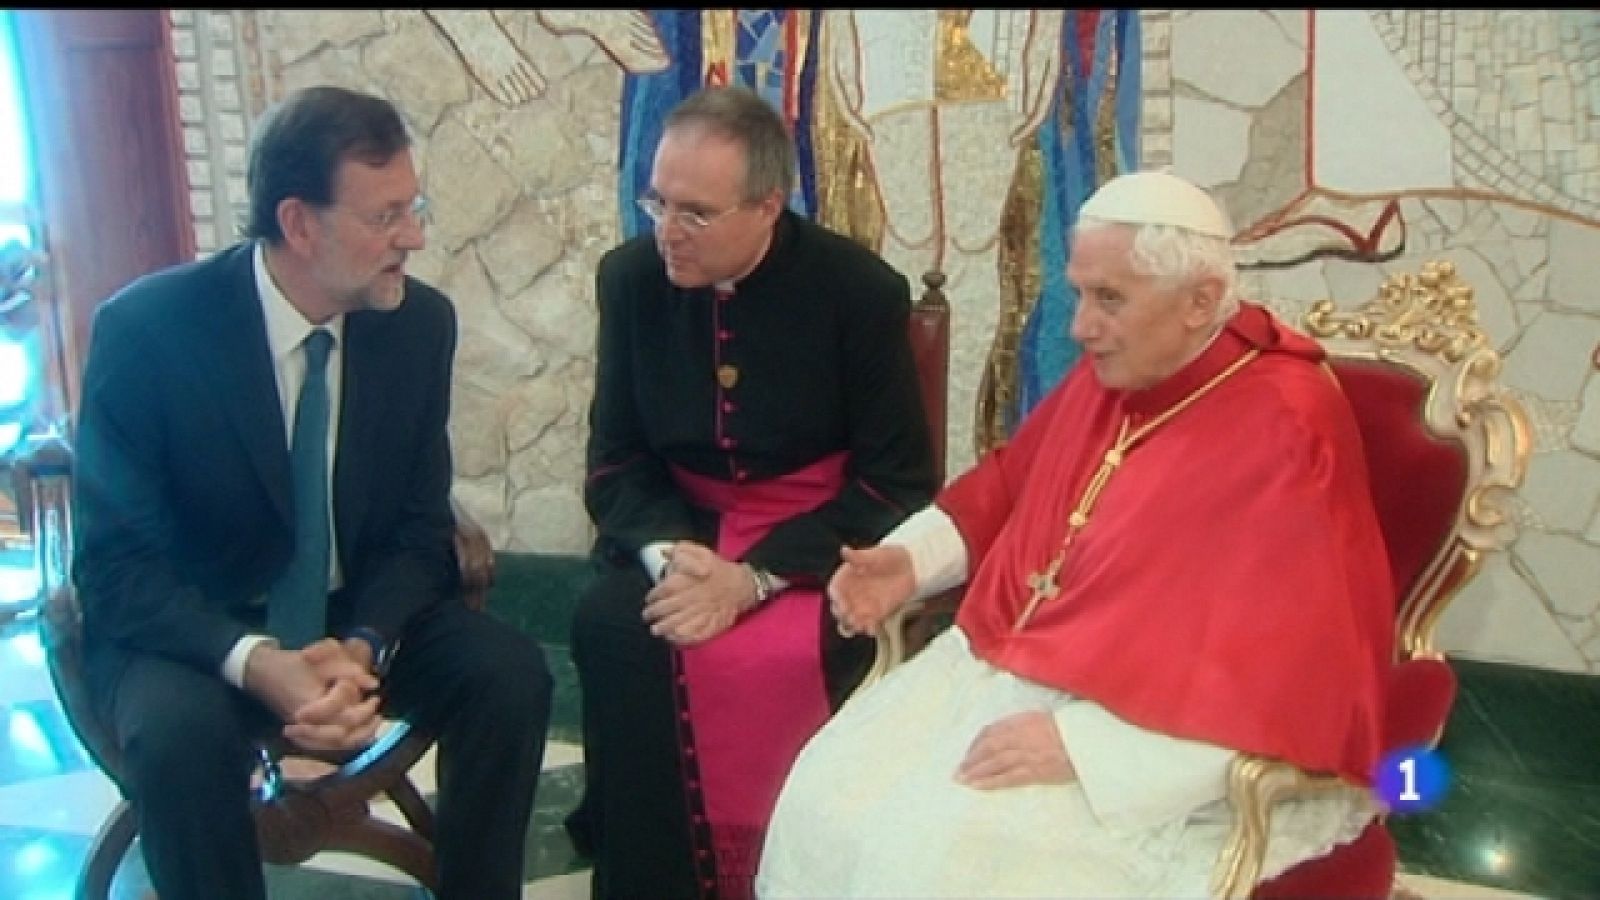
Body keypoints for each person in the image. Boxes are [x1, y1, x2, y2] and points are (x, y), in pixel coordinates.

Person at [756, 169, 1396, 897]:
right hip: (1018, 670)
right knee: (829, 798)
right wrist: (909, 561)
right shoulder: (1125, 364)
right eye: (1081, 292)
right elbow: (1012, 484)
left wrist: (1093, 750)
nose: (1079, 326)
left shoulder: (1285, 425)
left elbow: (1291, 662)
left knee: (946, 862)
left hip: (1158, 737)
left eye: (1109, 299)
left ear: (1203, 301)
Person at [71, 85, 552, 900]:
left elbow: (414, 527)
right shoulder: (148, 333)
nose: (416, 236)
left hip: (347, 623)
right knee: (176, 738)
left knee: (510, 674)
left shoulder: (416, 324)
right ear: (299, 223)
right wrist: (257, 662)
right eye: (385, 217)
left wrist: (362, 645)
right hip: (200, 631)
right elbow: (117, 570)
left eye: (415, 206)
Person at [568, 83, 937, 900]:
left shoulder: (859, 292)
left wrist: (756, 578)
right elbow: (615, 461)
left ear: (768, 206)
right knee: (614, 627)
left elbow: (897, 480)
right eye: (656, 201)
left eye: (695, 212)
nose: (667, 230)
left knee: (826, 640)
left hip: (816, 540)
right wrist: (674, 560)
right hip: (684, 531)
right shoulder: (630, 280)